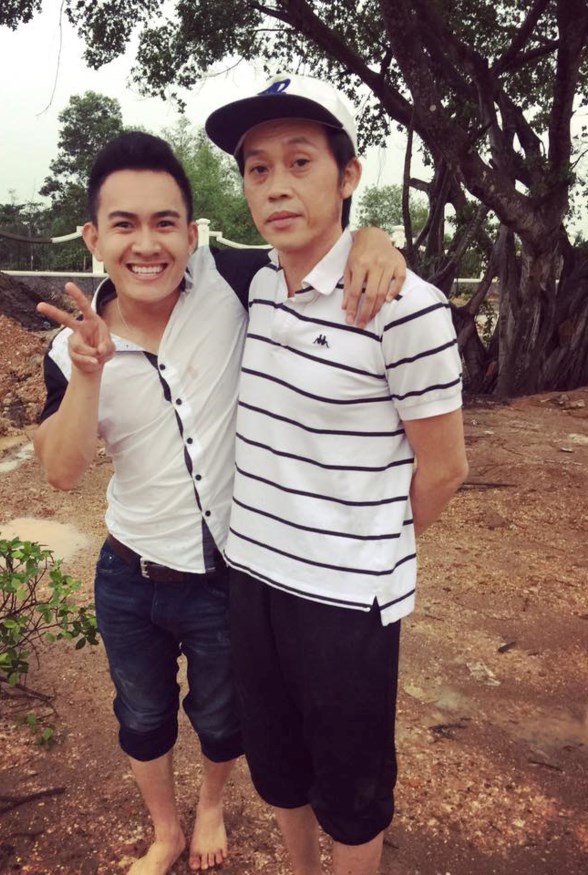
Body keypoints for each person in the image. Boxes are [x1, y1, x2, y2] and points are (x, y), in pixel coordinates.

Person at [33, 131, 406, 875]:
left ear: (193, 233)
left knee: (223, 713)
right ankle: (165, 830)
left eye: (165, 222)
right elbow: (62, 472)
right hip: (129, 573)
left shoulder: (234, 284)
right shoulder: (69, 347)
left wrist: (373, 235)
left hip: (227, 574)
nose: (147, 244)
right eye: (124, 224)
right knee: (142, 714)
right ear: (94, 237)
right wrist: (88, 373)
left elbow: (313, 242)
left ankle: (210, 804)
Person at [205, 73, 469, 875]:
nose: (276, 186)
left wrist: (364, 543)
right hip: (253, 575)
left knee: (353, 790)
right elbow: (147, 251)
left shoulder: (405, 308)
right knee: (278, 765)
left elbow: (445, 468)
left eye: (300, 162)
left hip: (346, 602)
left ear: (348, 174)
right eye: (257, 168)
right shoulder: (253, 285)